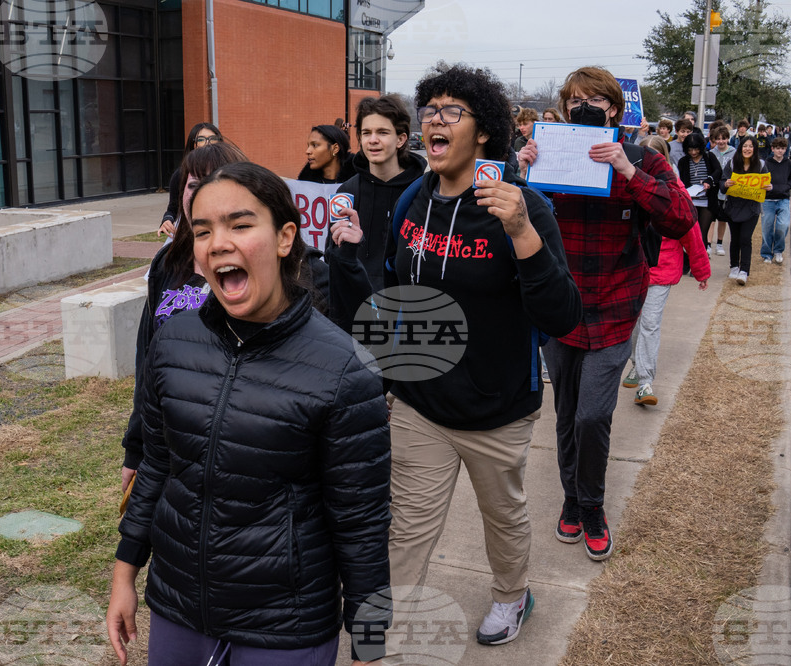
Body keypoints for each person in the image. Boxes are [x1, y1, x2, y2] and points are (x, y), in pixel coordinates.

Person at [107, 161, 392, 666]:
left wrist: (368, 639)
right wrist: (124, 574)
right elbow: (155, 466)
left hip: (286, 626)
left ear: (285, 238)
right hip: (177, 608)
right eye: (202, 230)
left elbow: (361, 521)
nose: (218, 242)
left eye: (239, 225)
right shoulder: (173, 342)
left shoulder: (344, 368)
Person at [384, 63, 580, 647]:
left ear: (484, 132)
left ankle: (512, 595)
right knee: (405, 532)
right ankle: (380, 636)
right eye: (429, 110)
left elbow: (562, 315)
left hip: (497, 407)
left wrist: (521, 231)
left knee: (504, 519)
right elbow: (396, 290)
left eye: (451, 111)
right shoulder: (413, 200)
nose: (433, 121)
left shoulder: (524, 207)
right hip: (420, 405)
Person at [517, 66, 694, 563]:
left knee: (594, 414)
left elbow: (680, 218)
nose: (584, 107)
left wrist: (629, 171)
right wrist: (522, 172)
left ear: (614, 109)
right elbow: (509, 221)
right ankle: (572, 499)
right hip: (560, 305)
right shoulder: (546, 156)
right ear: (565, 107)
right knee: (567, 413)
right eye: (575, 100)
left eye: (596, 99)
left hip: (616, 304)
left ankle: (592, 506)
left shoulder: (641, 158)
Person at [120, 141, 250, 494]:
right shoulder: (166, 265)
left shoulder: (253, 266)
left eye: (214, 181)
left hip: (237, 443)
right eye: (193, 185)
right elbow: (146, 360)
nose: (200, 194)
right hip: (168, 439)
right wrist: (135, 448)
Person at [625, 137, 710, 406]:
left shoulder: (676, 192)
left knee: (650, 324)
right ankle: (637, 364)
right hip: (632, 268)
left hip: (662, 271)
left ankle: (645, 382)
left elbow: (691, 231)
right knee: (633, 325)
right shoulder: (625, 183)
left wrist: (700, 269)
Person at [335, 95, 427, 291]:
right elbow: (335, 257)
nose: (373, 140)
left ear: (401, 139)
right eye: (366, 133)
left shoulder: (423, 191)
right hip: (360, 305)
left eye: (383, 132)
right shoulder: (347, 192)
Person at [720, 135, 772, 285]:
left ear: (755, 149)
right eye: (745, 146)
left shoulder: (761, 165)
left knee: (745, 238)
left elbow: (767, 186)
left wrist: (769, 188)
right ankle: (734, 266)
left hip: (751, 208)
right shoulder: (731, 163)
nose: (747, 149)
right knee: (735, 239)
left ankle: (744, 271)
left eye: (750, 146)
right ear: (740, 147)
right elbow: (722, 183)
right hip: (733, 207)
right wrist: (726, 184)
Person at [159, 122, 223, 238]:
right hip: (190, 232)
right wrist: (167, 220)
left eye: (212, 138)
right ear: (193, 144)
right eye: (201, 139)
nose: (207, 143)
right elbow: (173, 209)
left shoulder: (229, 170)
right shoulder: (181, 174)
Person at [677, 133, 721, 257]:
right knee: (690, 232)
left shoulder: (709, 156)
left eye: (696, 149)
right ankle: (689, 260)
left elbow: (718, 171)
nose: (693, 152)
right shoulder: (683, 161)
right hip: (691, 201)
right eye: (690, 149)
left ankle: (700, 261)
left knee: (702, 232)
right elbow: (682, 181)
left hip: (707, 200)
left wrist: (709, 181)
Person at [761, 136, 791, 265]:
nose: (780, 151)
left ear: (785, 150)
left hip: (783, 199)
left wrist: (785, 188)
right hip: (768, 200)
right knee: (767, 227)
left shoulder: (788, 164)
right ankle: (766, 254)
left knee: (783, 225)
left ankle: (778, 250)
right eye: (777, 148)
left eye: (782, 149)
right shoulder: (767, 163)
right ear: (772, 149)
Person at [709, 124, 736, 255]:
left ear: (727, 139)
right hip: (714, 190)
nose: (720, 141)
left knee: (722, 219)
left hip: (727, 190)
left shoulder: (734, 152)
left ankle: (719, 243)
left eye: (723, 138)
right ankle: (708, 243)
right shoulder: (711, 153)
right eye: (718, 139)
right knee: (711, 218)